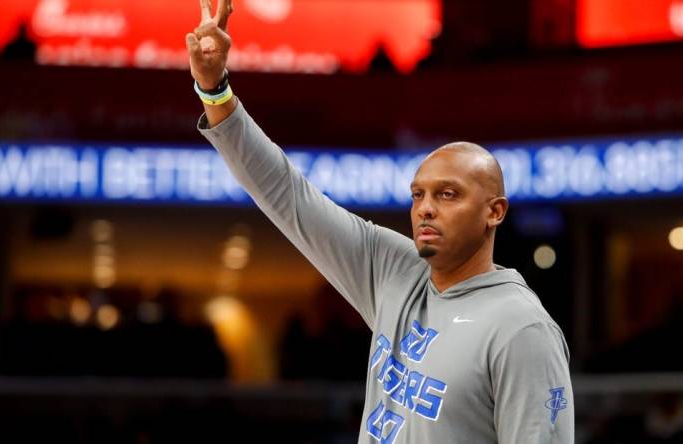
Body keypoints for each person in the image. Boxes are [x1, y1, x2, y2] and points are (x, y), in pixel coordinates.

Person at [187, 1, 574, 442]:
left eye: (448, 194)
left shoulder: (522, 329)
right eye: (418, 195)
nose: (426, 208)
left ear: (495, 212)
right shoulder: (397, 271)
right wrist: (215, 90)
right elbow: (286, 193)